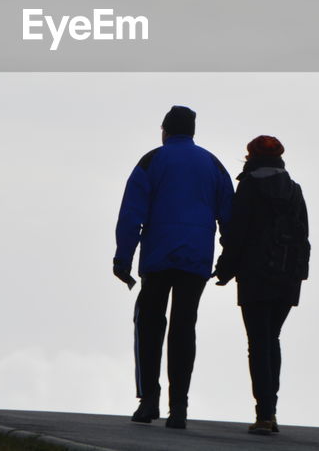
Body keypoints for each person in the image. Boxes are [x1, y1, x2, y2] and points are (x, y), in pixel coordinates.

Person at [113, 105, 234, 430]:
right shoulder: (213, 164)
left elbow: (131, 213)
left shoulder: (152, 160)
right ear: (192, 132)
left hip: (158, 256)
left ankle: (148, 399)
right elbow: (230, 217)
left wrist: (123, 258)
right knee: (184, 327)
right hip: (196, 258)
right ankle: (179, 407)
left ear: (165, 130)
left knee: (149, 322)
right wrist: (228, 259)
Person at [213, 135, 310, 436]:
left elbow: (237, 233)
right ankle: (271, 411)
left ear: (251, 157)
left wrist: (224, 270)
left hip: (256, 276)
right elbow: (303, 236)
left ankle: (264, 413)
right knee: (273, 339)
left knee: (258, 342)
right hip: (287, 277)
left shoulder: (248, 187)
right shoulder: (294, 190)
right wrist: (299, 274)